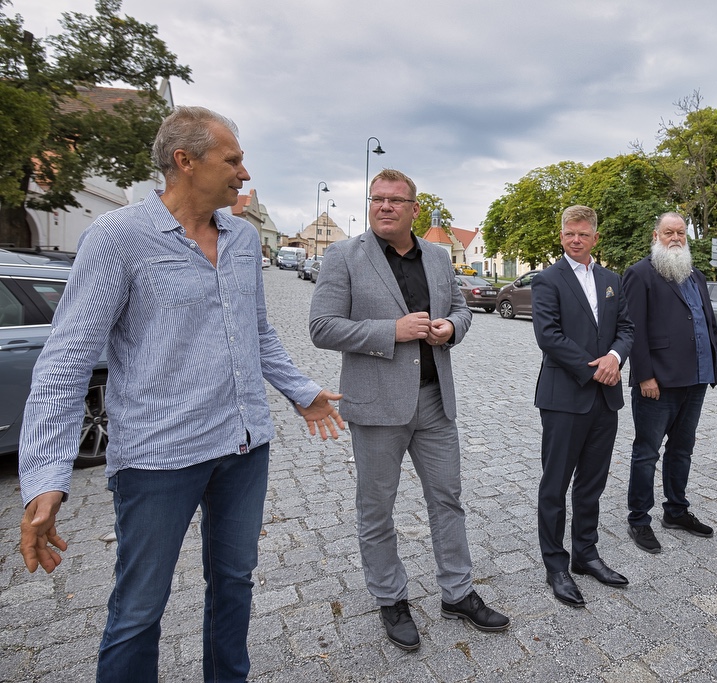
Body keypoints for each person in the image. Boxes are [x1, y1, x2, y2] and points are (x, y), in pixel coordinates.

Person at [17, 106, 345, 683]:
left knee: (235, 585)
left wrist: (302, 391)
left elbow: (258, 331)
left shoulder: (243, 239)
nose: (244, 174)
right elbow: (66, 360)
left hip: (243, 448)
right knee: (140, 607)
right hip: (157, 459)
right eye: (234, 160)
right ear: (184, 161)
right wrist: (47, 472)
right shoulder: (118, 238)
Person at [309, 169, 509, 651]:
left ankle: (457, 593)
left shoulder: (438, 257)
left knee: (448, 499)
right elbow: (321, 327)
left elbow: (461, 309)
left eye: (396, 201)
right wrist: (389, 332)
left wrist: (452, 329)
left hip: (435, 401)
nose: (385, 207)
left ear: (414, 209)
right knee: (376, 508)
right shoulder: (344, 256)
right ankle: (390, 597)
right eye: (377, 199)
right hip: (377, 405)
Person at [532, 205, 634, 608]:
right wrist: (593, 369)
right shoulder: (548, 280)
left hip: (605, 399)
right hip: (564, 396)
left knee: (592, 482)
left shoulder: (611, 280)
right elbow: (548, 336)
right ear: (562, 236)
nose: (576, 239)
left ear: (595, 237)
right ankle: (555, 564)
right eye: (569, 233)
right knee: (555, 485)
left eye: (583, 233)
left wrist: (615, 357)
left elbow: (626, 328)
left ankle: (585, 555)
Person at [621, 212, 717, 554]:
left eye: (680, 232)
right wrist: (645, 374)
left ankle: (676, 510)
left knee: (682, 449)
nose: (675, 237)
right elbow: (633, 329)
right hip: (658, 382)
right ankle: (639, 519)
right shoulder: (639, 274)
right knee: (647, 452)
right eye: (668, 232)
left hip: (696, 379)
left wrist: (712, 364)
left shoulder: (696, 275)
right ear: (656, 235)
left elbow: (703, 321)